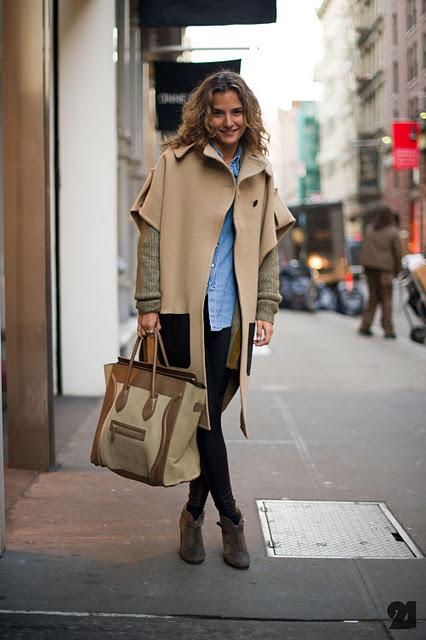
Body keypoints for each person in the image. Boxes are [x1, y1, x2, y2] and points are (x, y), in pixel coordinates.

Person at [130, 70, 295, 570]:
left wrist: (266, 308)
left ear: (249, 117)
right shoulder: (175, 163)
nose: (228, 121)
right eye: (219, 112)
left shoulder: (259, 173)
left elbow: (268, 251)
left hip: (232, 312)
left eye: (237, 113)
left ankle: (192, 513)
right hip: (183, 309)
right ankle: (231, 519)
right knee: (203, 414)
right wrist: (148, 303)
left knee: (210, 416)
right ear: (205, 114)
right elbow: (152, 235)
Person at [358, 206, 403, 338]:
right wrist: (397, 271)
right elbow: (398, 254)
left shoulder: (370, 229)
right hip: (385, 271)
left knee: (372, 299)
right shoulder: (393, 232)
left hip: (370, 270)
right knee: (386, 300)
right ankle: (388, 330)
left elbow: (364, 249)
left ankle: (365, 326)